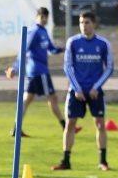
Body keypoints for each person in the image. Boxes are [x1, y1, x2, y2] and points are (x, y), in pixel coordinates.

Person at [55, 11, 113, 171]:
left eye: (87, 22)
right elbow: (67, 66)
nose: (83, 26)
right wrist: (76, 88)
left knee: (100, 124)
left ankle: (103, 161)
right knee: (70, 124)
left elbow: (109, 68)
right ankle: (66, 160)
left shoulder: (103, 44)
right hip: (76, 92)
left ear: (94, 24)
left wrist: (96, 87)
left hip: (95, 92)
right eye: (81, 22)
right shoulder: (72, 42)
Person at [5, 7, 73, 138]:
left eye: (46, 17)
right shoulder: (34, 31)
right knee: (52, 98)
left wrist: (62, 49)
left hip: (36, 72)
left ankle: (15, 128)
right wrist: (15, 67)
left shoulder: (43, 31)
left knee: (27, 100)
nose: (44, 19)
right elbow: (24, 49)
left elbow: (51, 49)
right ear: (37, 17)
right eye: (42, 17)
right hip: (39, 72)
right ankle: (65, 126)